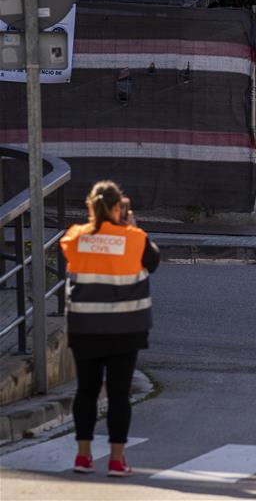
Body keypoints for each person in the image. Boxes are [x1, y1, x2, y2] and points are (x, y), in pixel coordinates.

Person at [60, 181, 160, 477]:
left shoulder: (75, 237)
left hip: (85, 328)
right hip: (125, 330)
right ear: (119, 208)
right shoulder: (136, 238)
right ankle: (117, 461)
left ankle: (82, 456)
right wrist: (129, 227)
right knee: (118, 395)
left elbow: (72, 255)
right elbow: (152, 262)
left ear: (90, 208)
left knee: (86, 392)